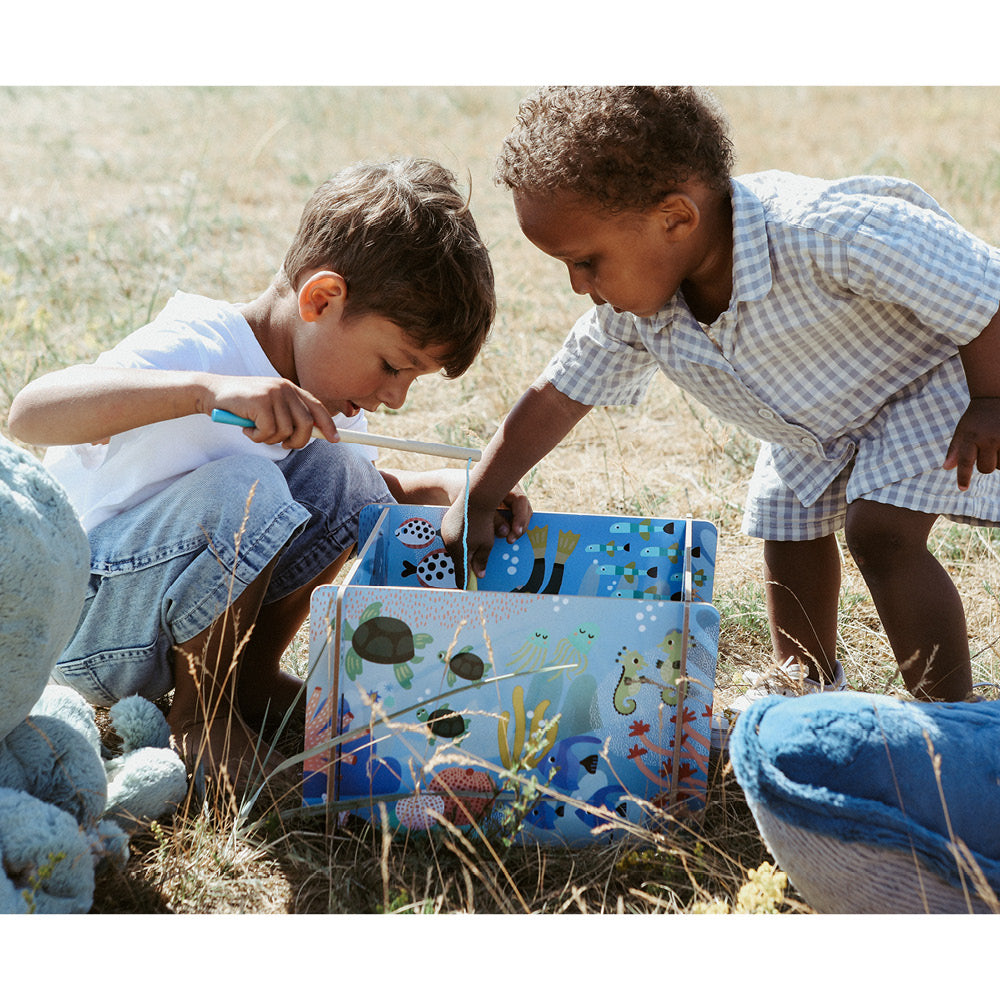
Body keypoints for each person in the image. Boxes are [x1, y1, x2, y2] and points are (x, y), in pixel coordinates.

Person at [440, 86, 1000, 745]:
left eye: (585, 262)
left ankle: (955, 729)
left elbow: (981, 287)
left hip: (927, 381)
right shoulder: (637, 310)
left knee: (879, 532)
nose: (578, 286)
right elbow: (562, 393)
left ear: (676, 218)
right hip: (808, 419)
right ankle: (806, 693)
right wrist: (483, 488)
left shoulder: (824, 233)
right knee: (785, 527)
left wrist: (991, 397)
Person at [9, 157, 527, 794]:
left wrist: (442, 490)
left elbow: (351, 497)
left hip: (171, 615)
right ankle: (204, 713)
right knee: (246, 486)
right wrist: (206, 392)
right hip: (91, 618)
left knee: (344, 479)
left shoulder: (330, 397)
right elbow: (30, 413)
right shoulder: (202, 348)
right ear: (321, 299)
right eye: (394, 365)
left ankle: (248, 678)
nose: (396, 397)